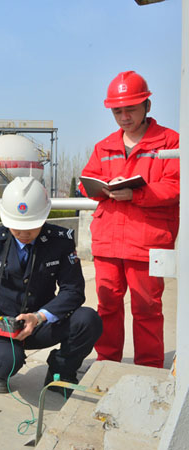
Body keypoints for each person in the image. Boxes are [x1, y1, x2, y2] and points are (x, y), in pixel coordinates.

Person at [0, 177, 102, 396]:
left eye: (31, 227)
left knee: (88, 320)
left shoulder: (60, 242)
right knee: (7, 363)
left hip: (40, 322)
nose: (24, 233)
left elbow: (73, 290)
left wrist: (40, 317)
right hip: (1, 323)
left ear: (43, 217)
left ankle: (61, 372)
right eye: (17, 227)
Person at [80, 70, 179, 368]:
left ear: (147, 105)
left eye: (130, 109)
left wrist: (137, 194)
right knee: (107, 306)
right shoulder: (104, 146)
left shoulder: (170, 143)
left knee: (147, 307)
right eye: (117, 111)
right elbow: (87, 181)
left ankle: (149, 368)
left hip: (146, 241)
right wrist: (98, 188)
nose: (124, 117)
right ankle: (106, 363)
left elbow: (175, 187)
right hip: (108, 241)